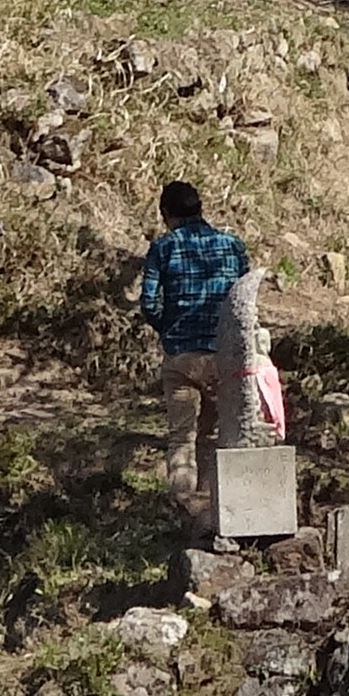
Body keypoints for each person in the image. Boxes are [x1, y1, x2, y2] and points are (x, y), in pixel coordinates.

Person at [132, 179, 256, 539]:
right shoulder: (233, 246)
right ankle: (217, 513)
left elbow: (149, 303)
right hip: (225, 357)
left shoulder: (163, 247)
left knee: (181, 436)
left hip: (181, 355)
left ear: (166, 214)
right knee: (216, 436)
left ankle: (185, 512)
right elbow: (244, 301)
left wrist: (168, 329)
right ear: (201, 208)